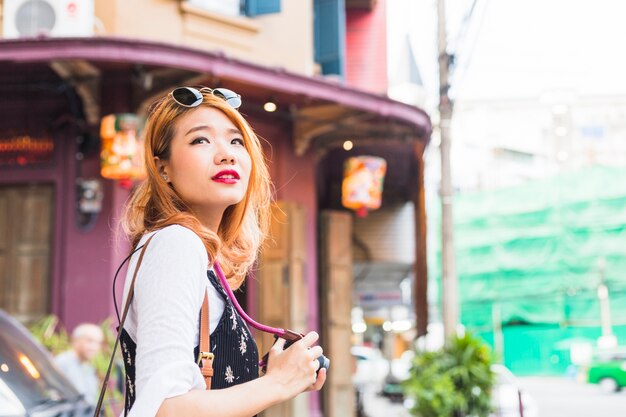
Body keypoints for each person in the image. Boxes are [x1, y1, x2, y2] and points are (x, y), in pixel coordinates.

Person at [118, 86, 326, 417]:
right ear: (162, 169)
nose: (226, 154)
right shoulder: (176, 243)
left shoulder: (196, 252)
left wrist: (273, 375)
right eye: (201, 140)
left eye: (236, 141)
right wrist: (277, 383)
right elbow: (164, 407)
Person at [55, 323, 104, 406]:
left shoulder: (88, 367)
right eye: (89, 341)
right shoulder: (62, 362)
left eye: (98, 343)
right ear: (76, 340)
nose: (94, 347)